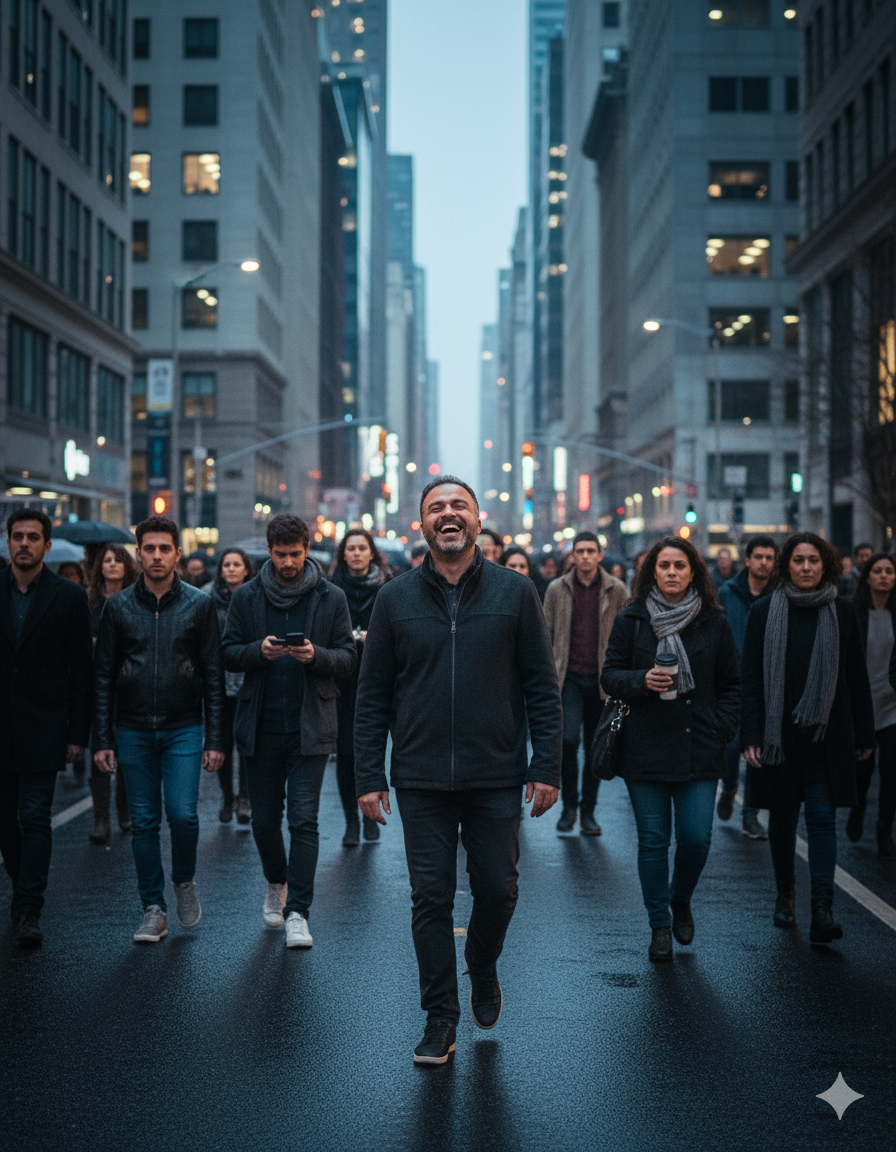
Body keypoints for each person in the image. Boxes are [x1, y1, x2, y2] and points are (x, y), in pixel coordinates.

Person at [355, 476, 562, 1065]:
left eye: (459, 507)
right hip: (420, 778)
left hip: (496, 774)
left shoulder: (515, 592)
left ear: (477, 519)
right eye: (436, 508)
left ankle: (483, 964)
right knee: (431, 898)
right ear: (421, 524)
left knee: (498, 889)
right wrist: (369, 775)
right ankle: (440, 1018)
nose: (448, 515)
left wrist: (545, 765)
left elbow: (541, 690)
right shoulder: (394, 599)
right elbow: (371, 698)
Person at [601, 536, 740, 961]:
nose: (673, 573)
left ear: (693, 571)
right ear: (652, 572)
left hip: (699, 744)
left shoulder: (713, 621)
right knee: (653, 840)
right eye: (665, 566)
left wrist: (722, 728)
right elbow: (610, 676)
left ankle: (681, 898)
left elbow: (732, 685)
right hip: (645, 745)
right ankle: (659, 924)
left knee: (696, 839)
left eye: (681, 566)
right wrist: (641, 680)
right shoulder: (633, 619)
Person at [222, 515, 356, 947]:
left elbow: (347, 657)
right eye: (280, 555)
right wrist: (257, 652)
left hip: (310, 725)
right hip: (260, 725)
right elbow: (226, 652)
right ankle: (275, 881)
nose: (288, 563)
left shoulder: (329, 597)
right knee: (263, 822)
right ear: (268, 550)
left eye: (295, 554)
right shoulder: (247, 596)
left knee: (304, 820)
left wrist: (316, 655)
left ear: (307, 548)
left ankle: (298, 911)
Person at [93, 516, 225, 944]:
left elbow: (212, 675)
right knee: (145, 821)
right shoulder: (118, 608)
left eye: (163, 549)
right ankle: (153, 907)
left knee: (183, 815)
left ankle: (183, 881)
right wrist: (103, 738)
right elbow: (103, 677)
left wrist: (216, 739)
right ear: (138, 552)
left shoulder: (198, 606)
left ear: (176, 553)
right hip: (131, 728)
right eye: (148, 548)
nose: (155, 556)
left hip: (184, 726)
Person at [740, 532, 875, 943]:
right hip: (778, 736)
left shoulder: (844, 611)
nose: (805, 568)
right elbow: (751, 680)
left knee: (820, 817)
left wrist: (863, 733)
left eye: (813, 560)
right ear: (787, 566)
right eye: (798, 560)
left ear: (826, 565)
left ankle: (822, 908)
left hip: (825, 735)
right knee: (781, 821)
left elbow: (856, 677)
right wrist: (752, 734)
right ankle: (785, 896)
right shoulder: (764, 611)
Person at [0, 511, 93, 946]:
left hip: (45, 724)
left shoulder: (70, 597)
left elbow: (81, 670)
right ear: (7, 542)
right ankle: (24, 889)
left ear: (46, 546)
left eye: (32, 537)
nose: (24, 544)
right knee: (5, 823)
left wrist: (78, 733)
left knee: (36, 816)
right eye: (17, 536)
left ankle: (27, 909)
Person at [543, 531, 627, 835]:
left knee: (596, 748)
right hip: (569, 678)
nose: (586, 556)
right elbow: (545, 633)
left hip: (604, 681)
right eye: (580, 551)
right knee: (567, 741)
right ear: (573, 555)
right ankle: (569, 807)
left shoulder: (616, 589)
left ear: (600, 555)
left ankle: (589, 812)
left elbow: (625, 635)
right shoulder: (557, 589)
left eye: (591, 550)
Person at [328, 528, 390, 846]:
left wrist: (373, 638)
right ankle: (352, 821)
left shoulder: (387, 586)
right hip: (342, 680)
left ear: (371, 553)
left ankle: (371, 815)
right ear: (343, 555)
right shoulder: (330, 588)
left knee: (372, 748)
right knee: (346, 753)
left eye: (361, 548)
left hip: (378, 677)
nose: (355, 554)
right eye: (350, 548)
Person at [716, 534, 777, 839]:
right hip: (733, 683)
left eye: (769, 557)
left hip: (767, 685)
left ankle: (750, 815)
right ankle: (728, 787)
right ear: (748, 560)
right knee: (729, 747)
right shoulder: (728, 592)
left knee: (758, 752)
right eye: (759, 556)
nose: (764, 562)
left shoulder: (780, 596)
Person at [85, 544, 138, 842]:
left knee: (127, 749)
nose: (113, 565)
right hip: (97, 683)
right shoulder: (89, 600)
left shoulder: (134, 599)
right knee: (100, 746)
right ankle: (101, 819)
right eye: (107, 560)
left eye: (118, 560)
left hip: (129, 683)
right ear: (100, 567)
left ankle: (124, 810)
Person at [849, 553, 896, 858]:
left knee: (891, 770)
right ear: (867, 577)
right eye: (877, 571)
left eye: (889, 571)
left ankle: (884, 831)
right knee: (862, 772)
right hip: (862, 704)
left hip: (893, 705)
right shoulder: (853, 612)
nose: (883, 576)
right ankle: (858, 808)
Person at [204, 549, 255, 826]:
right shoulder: (206, 596)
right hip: (217, 680)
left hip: (247, 679)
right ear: (220, 569)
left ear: (246, 568)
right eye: (227, 565)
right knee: (221, 742)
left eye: (237, 564)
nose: (232, 569)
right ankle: (226, 796)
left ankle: (245, 798)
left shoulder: (256, 596)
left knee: (245, 742)